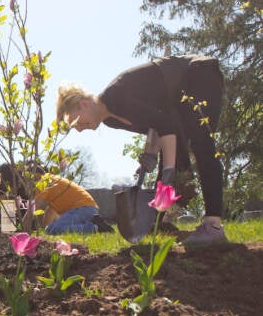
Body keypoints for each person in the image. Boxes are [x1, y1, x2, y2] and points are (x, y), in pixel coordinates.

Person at [56, 54, 226, 245]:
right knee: (168, 159)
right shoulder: (110, 119)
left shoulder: (114, 97)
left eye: (75, 121)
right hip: (178, 96)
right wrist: (150, 155)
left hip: (198, 74)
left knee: (201, 143)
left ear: (84, 104)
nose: (78, 129)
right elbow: (155, 126)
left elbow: (166, 125)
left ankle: (213, 226)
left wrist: (170, 172)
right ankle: (157, 224)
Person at [0, 163, 113, 234]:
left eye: (30, 178)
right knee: (51, 228)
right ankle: (94, 222)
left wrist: (22, 230)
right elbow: (50, 209)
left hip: (81, 209)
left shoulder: (45, 183)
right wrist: (44, 228)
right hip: (86, 209)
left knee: (53, 229)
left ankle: (95, 228)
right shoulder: (51, 180)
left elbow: (5, 204)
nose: (29, 181)